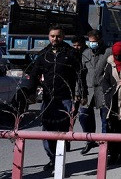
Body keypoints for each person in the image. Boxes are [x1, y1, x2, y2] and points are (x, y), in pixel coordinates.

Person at [12, 25, 82, 172]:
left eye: (58, 36)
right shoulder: (44, 54)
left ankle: (59, 162)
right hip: (49, 98)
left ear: (63, 37)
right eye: (52, 36)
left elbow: (79, 75)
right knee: (47, 131)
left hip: (65, 97)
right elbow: (34, 73)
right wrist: (27, 91)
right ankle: (52, 158)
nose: (55, 39)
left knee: (62, 132)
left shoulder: (71, 53)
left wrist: (81, 93)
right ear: (48, 37)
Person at [78, 30, 111, 155]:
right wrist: (79, 92)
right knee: (84, 116)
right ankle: (90, 140)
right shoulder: (86, 53)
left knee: (105, 119)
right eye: (90, 42)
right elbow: (81, 74)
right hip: (88, 91)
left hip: (103, 91)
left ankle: (105, 143)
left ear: (100, 40)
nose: (92, 44)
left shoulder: (108, 52)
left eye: (94, 42)